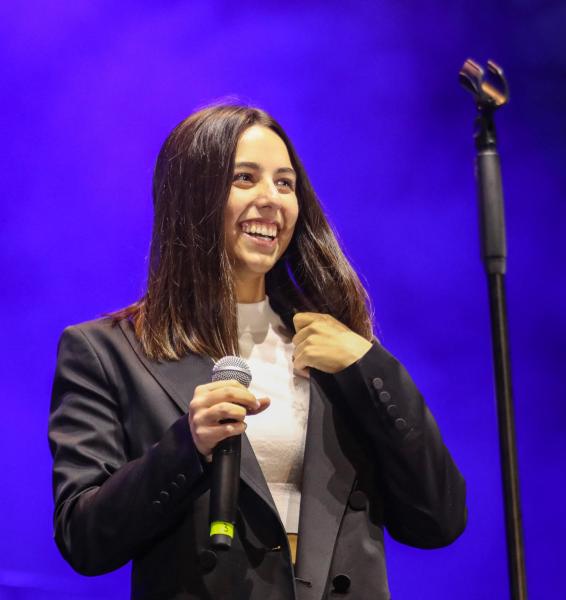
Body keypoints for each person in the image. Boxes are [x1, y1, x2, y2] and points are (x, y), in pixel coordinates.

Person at [49, 104, 466, 600]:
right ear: (192, 197)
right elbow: (84, 538)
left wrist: (371, 366)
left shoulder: (338, 348)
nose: (272, 200)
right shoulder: (108, 351)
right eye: (245, 178)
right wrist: (188, 444)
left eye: (285, 184)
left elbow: (438, 519)